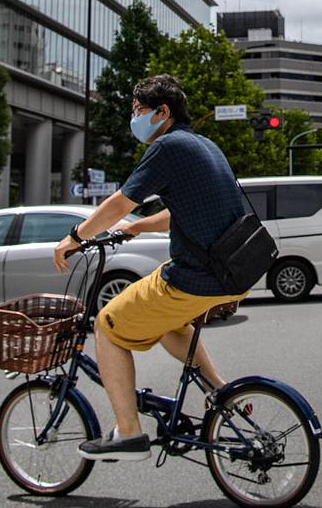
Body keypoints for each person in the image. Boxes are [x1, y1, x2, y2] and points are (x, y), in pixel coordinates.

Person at [53, 74, 247, 461]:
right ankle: (220, 391)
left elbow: (120, 201)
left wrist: (74, 237)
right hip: (236, 270)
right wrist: (138, 228)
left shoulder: (168, 146)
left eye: (138, 111)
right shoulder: (204, 145)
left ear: (163, 112)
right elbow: (179, 210)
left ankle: (127, 433)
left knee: (106, 325)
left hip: (198, 275)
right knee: (167, 323)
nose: (135, 119)